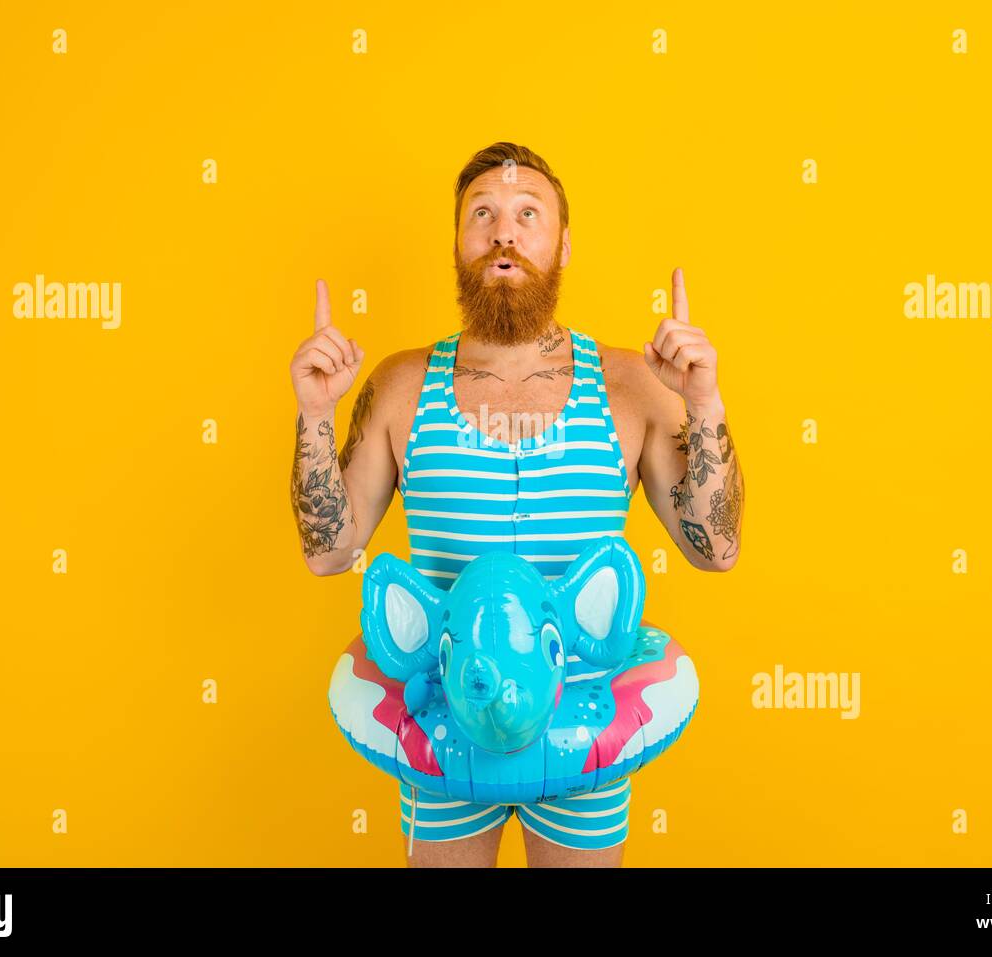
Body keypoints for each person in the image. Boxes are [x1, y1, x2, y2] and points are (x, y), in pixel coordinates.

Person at [290, 142, 744, 868]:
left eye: (527, 215)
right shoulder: (401, 384)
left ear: (562, 243)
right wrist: (315, 413)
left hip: (584, 726)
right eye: (483, 215)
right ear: (459, 243)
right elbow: (329, 552)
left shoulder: (633, 383)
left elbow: (714, 550)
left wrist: (705, 400)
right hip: (442, 726)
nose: (504, 232)